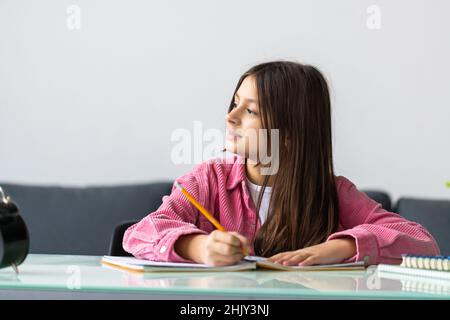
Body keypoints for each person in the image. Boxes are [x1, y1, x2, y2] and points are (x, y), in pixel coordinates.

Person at [123, 61, 440, 267]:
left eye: (250, 111)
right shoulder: (208, 179)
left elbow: (423, 243)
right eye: (235, 104)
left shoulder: (331, 192)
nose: (229, 117)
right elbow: (140, 233)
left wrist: (339, 249)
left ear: (289, 134)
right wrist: (199, 247)